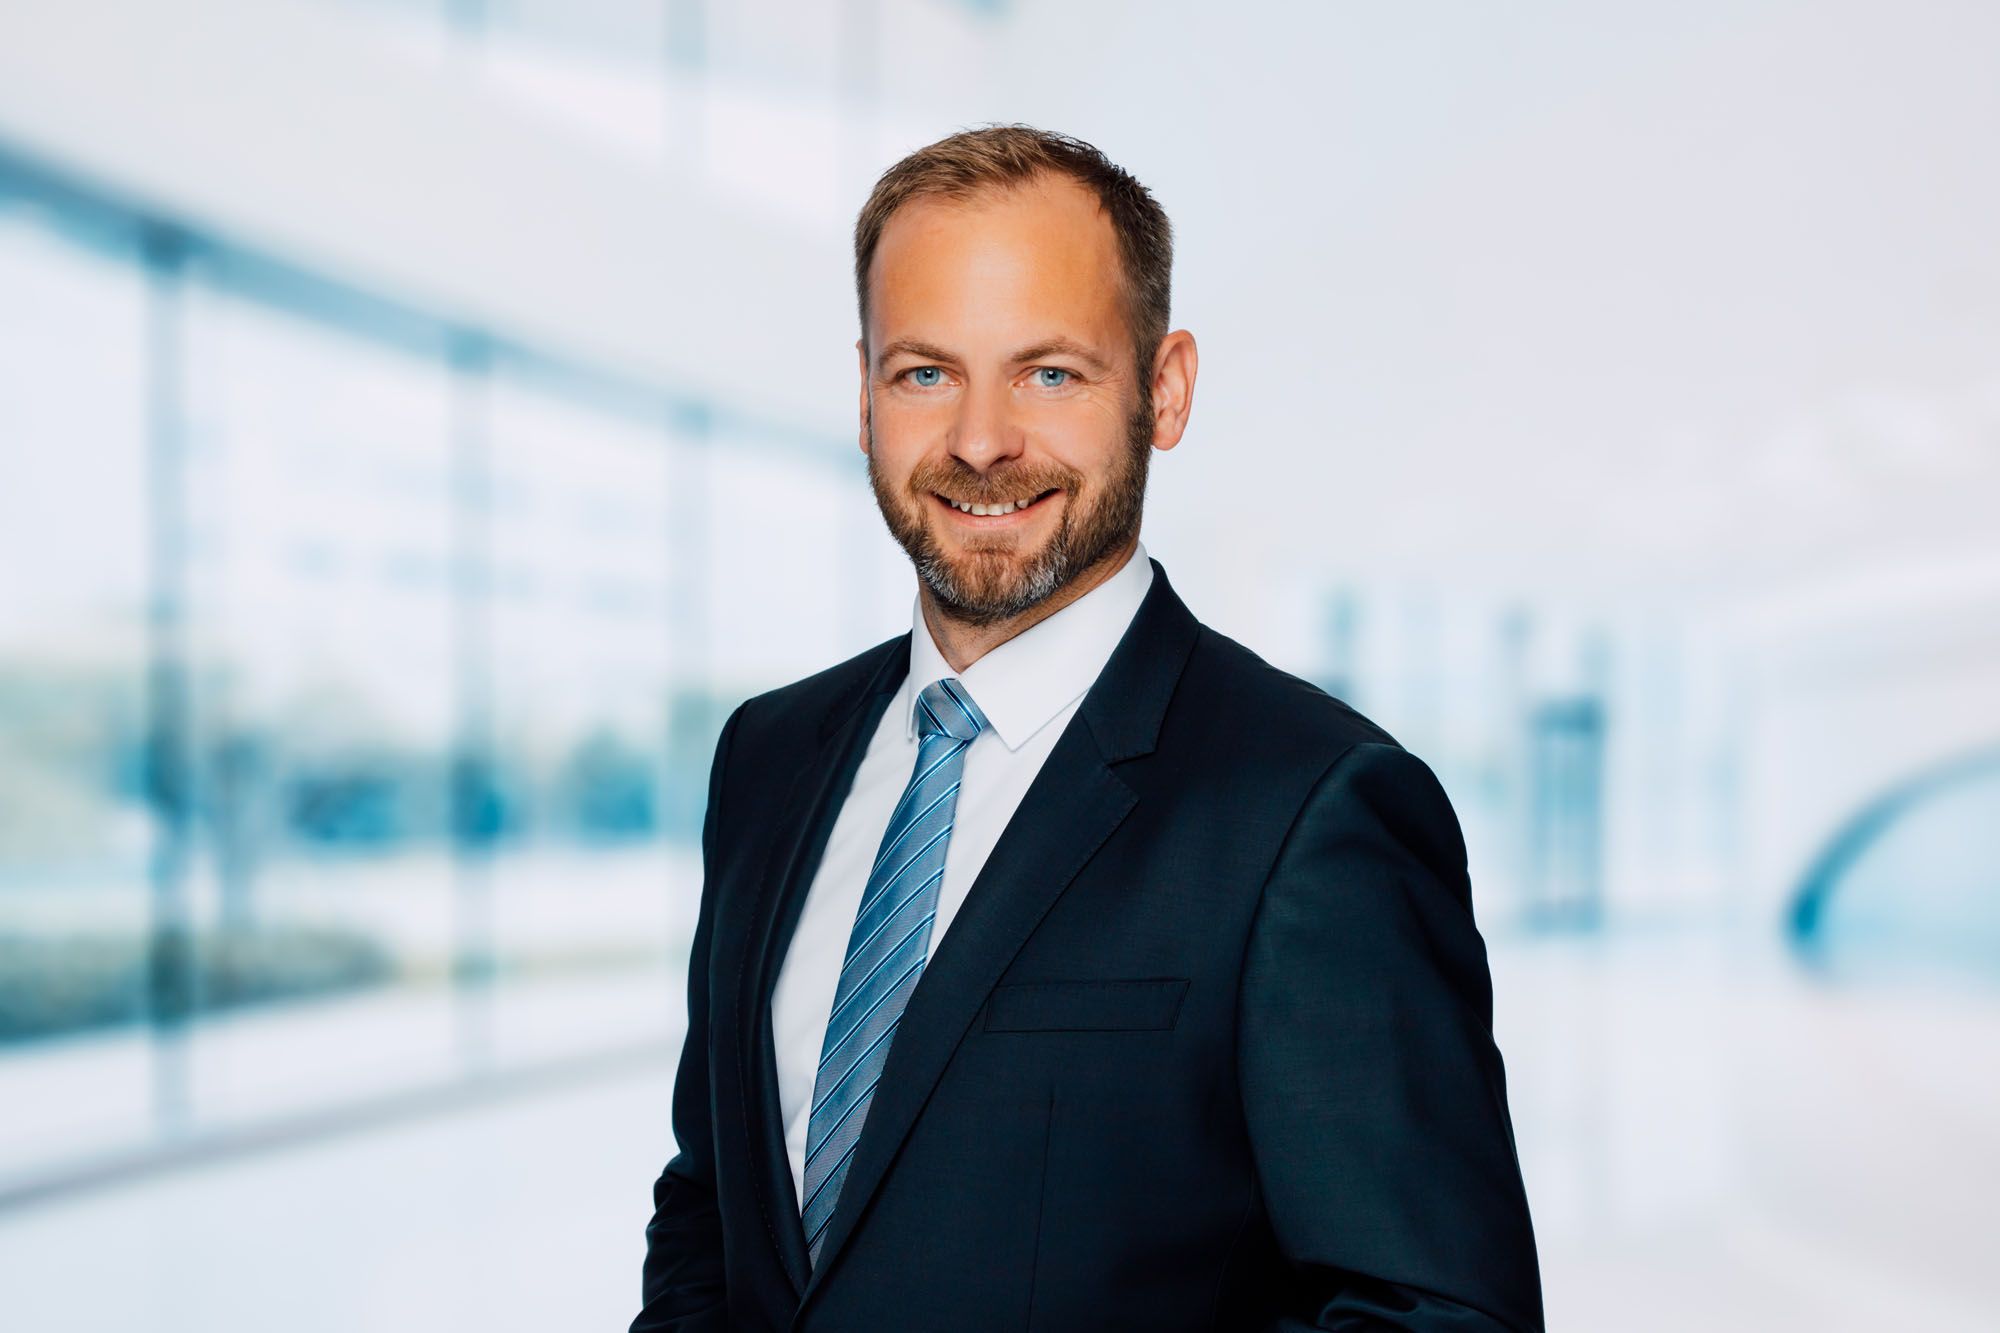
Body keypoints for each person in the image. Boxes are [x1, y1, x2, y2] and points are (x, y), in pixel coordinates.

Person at [631, 123, 1544, 1333]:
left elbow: (1435, 1315)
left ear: (1163, 390)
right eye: (924, 373)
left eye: (1048, 373)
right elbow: (711, 1208)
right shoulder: (767, 757)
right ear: (862, 395)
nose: (979, 440)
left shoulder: (1311, 808)